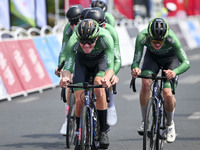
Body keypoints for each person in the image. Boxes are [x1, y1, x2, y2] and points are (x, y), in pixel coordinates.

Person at [131, 18, 190, 143]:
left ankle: (169, 125)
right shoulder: (142, 36)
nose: (157, 44)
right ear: (149, 35)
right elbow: (136, 59)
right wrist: (135, 68)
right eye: (154, 41)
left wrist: (174, 72)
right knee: (146, 82)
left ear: (166, 36)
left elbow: (186, 62)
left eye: (160, 41)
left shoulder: (172, 38)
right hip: (152, 58)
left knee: (168, 94)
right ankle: (144, 121)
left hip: (171, 60)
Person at [59, 19, 115, 149]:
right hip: (82, 63)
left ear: (96, 37)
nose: (86, 45)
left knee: (99, 87)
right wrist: (65, 78)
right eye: (83, 41)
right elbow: (68, 67)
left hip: (99, 63)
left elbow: (111, 66)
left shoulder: (105, 37)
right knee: (79, 100)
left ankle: (103, 131)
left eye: (90, 41)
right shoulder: (73, 42)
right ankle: (79, 133)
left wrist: (106, 78)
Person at [85, 7, 121, 126]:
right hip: (85, 60)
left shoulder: (109, 32)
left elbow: (116, 59)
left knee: (101, 83)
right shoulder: (82, 31)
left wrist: (112, 75)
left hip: (102, 59)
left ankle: (110, 106)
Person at [54, 4, 83, 135]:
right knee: (70, 83)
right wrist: (61, 66)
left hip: (87, 55)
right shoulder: (68, 29)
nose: (73, 26)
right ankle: (67, 119)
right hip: (73, 55)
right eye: (71, 23)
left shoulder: (88, 25)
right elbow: (64, 50)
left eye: (76, 23)